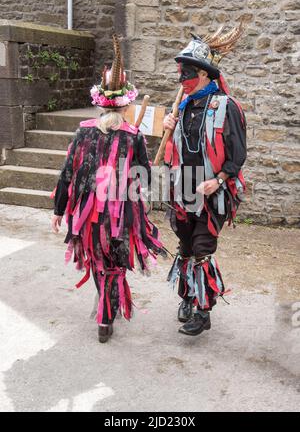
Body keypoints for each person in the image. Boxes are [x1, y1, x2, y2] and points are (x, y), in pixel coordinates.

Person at [51, 35, 165, 343]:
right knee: (115, 264)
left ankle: (105, 311)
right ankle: (106, 314)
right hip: (122, 214)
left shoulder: (84, 132)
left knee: (100, 263)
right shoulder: (134, 136)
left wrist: (59, 209)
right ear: (127, 104)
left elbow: (67, 174)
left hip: (89, 217)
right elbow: (144, 178)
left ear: (100, 104)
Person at [163, 24, 247, 336]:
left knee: (202, 246)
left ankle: (203, 310)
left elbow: (238, 153)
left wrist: (220, 180)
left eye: (188, 73)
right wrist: (169, 129)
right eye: (180, 74)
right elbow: (178, 151)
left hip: (215, 190)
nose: (182, 80)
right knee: (184, 245)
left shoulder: (228, 107)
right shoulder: (182, 109)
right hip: (185, 185)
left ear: (205, 75)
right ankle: (187, 297)